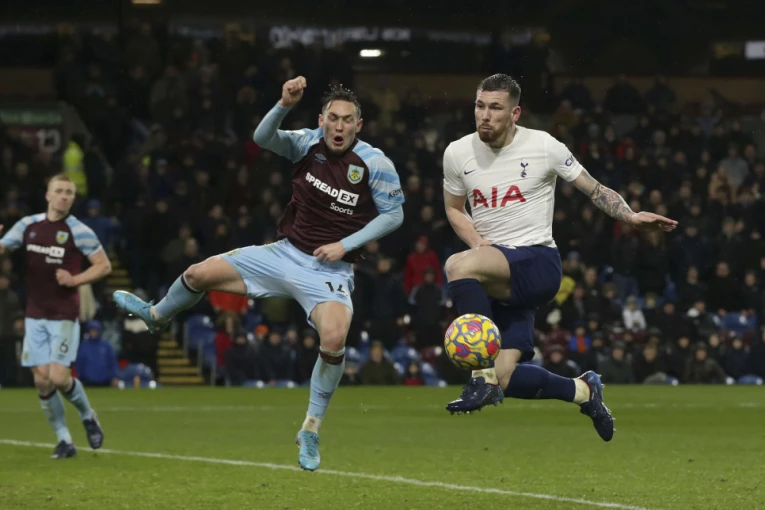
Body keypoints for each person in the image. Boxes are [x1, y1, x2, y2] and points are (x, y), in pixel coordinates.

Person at [113, 77, 405, 470]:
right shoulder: (307, 142)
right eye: (333, 118)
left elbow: (394, 215)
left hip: (329, 269)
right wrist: (283, 104)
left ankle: (311, 428)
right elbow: (262, 138)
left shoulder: (375, 163)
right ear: (321, 120)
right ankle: (156, 315)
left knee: (335, 337)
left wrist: (345, 245)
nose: (339, 126)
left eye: (347, 120)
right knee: (198, 274)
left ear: (359, 125)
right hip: (283, 254)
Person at [441, 74, 677, 441]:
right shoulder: (458, 152)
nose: (484, 115)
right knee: (507, 378)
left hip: (537, 262)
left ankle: (480, 377)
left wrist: (630, 217)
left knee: (457, 266)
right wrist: (478, 244)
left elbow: (594, 189)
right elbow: (454, 209)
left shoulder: (544, 146)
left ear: (515, 113)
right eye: (480, 106)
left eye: (495, 108)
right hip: (496, 273)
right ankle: (584, 390)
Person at [0, 173, 112, 458]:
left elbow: (103, 266)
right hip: (35, 314)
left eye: (69, 192)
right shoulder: (28, 225)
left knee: (59, 378)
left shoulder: (79, 231)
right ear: (48, 195)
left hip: (63, 315)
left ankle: (87, 415)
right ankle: (64, 440)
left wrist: (75, 280)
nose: (64, 196)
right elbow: (3, 248)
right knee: (41, 380)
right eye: (59, 191)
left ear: (73, 198)